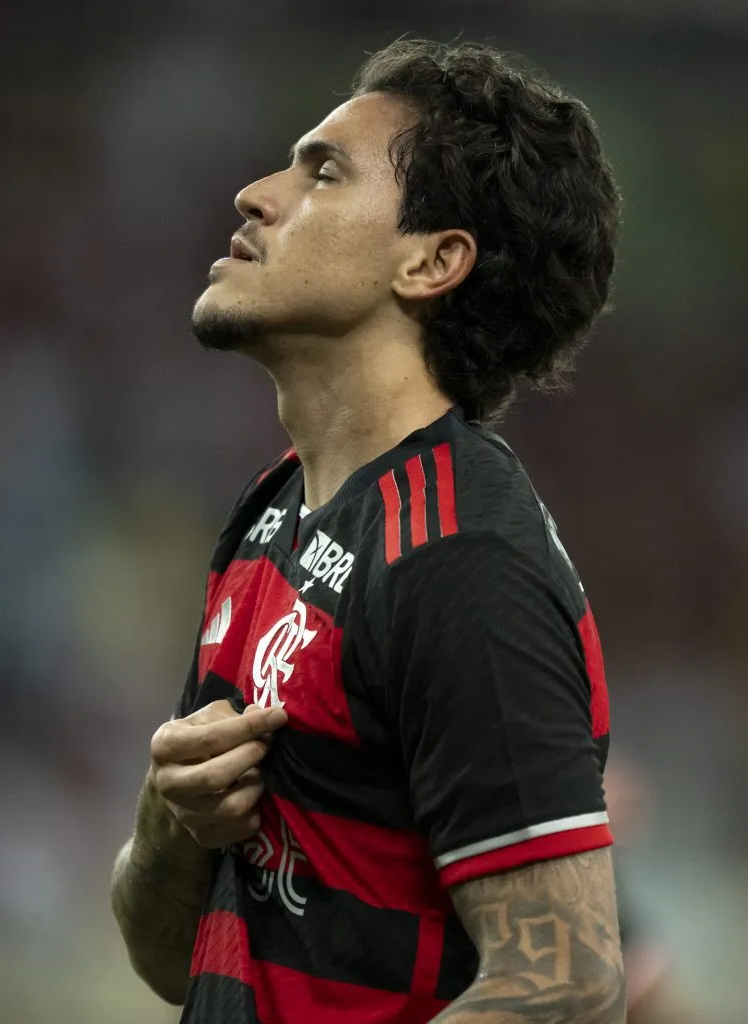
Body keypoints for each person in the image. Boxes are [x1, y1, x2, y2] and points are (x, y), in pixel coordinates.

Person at [111, 38, 625, 1024]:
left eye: (323, 172)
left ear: (433, 260)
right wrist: (171, 825)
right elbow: (177, 960)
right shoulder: (271, 517)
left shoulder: (462, 558)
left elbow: (566, 986)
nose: (256, 195)